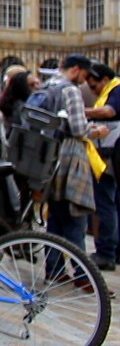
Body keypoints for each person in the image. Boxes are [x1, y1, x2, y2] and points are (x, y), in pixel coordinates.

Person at [38, 54, 106, 293]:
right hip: (71, 157)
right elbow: (78, 128)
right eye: (85, 76)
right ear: (76, 70)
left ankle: (54, 270)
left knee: (56, 218)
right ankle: (83, 274)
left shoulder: (48, 86)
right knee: (77, 216)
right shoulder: (70, 90)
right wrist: (98, 131)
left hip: (50, 158)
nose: (86, 82)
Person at [85, 63, 120, 272]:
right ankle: (113, 251)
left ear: (105, 80)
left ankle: (106, 252)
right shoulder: (111, 89)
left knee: (106, 204)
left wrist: (82, 112)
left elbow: (109, 111)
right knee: (113, 204)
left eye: (94, 85)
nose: (92, 89)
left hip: (109, 158)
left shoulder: (116, 89)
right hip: (111, 155)